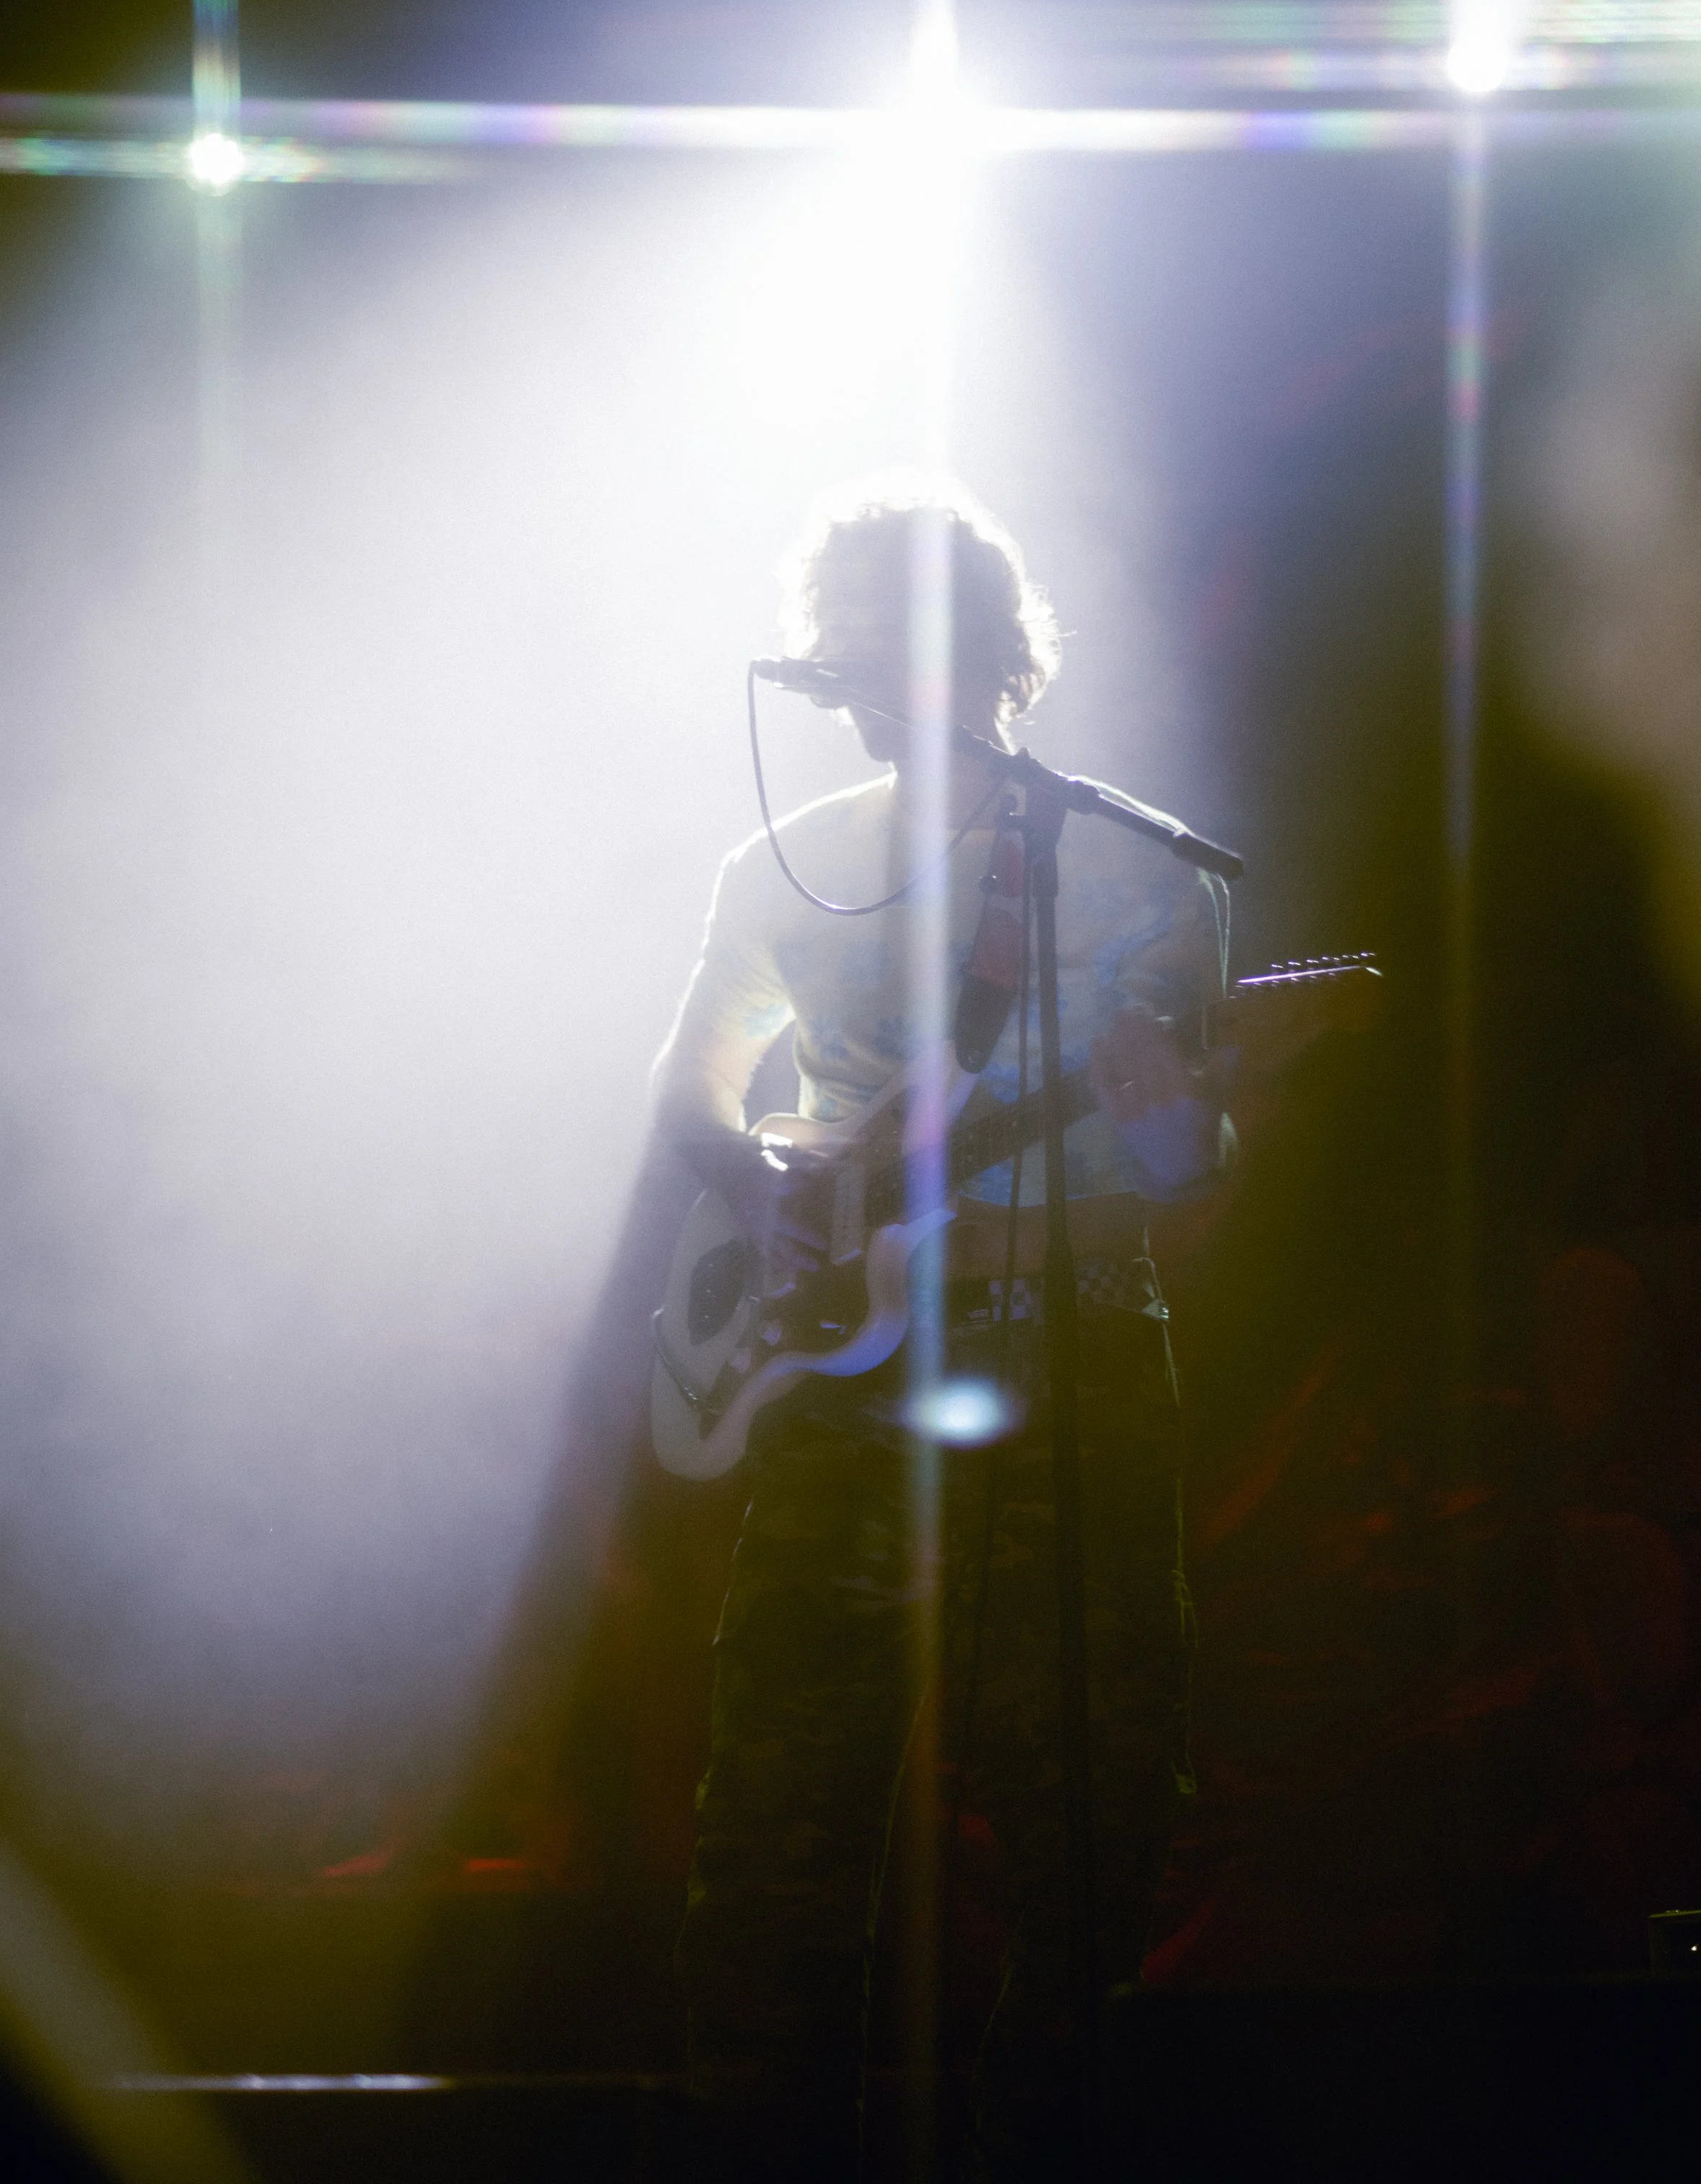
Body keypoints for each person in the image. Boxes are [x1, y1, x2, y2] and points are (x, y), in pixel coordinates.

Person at [650, 481, 1233, 2180]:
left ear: (985, 655)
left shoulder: (1134, 866)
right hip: (851, 1379)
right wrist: (756, 1175)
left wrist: (1161, 1115)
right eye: (840, 640)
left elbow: (1185, 1158)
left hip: (1077, 1348)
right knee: (773, 1830)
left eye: (889, 635)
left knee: (1093, 1834)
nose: (851, 667)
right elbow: (691, 1073)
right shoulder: (789, 863)